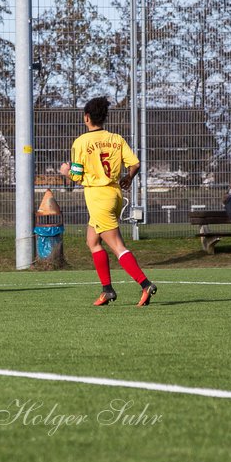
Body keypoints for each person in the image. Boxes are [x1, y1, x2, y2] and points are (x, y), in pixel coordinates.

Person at [59, 96, 157, 306]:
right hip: (114, 193)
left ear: (86, 117)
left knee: (117, 246)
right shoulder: (116, 138)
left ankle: (145, 283)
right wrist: (128, 178)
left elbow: (76, 176)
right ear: (103, 118)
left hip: (98, 196)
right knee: (92, 242)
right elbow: (135, 164)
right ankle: (107, 290)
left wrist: (65, 172)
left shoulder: (81, 142)